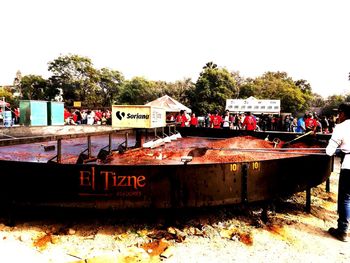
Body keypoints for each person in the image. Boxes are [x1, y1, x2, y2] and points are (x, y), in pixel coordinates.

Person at [326, 102, 350, 242]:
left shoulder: (341, 127)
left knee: (345, 198)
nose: (338, 116)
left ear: (343, 113)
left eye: (338, 113)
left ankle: (342, 230)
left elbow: (329, 151)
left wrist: (339, 148)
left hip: (349, 166)